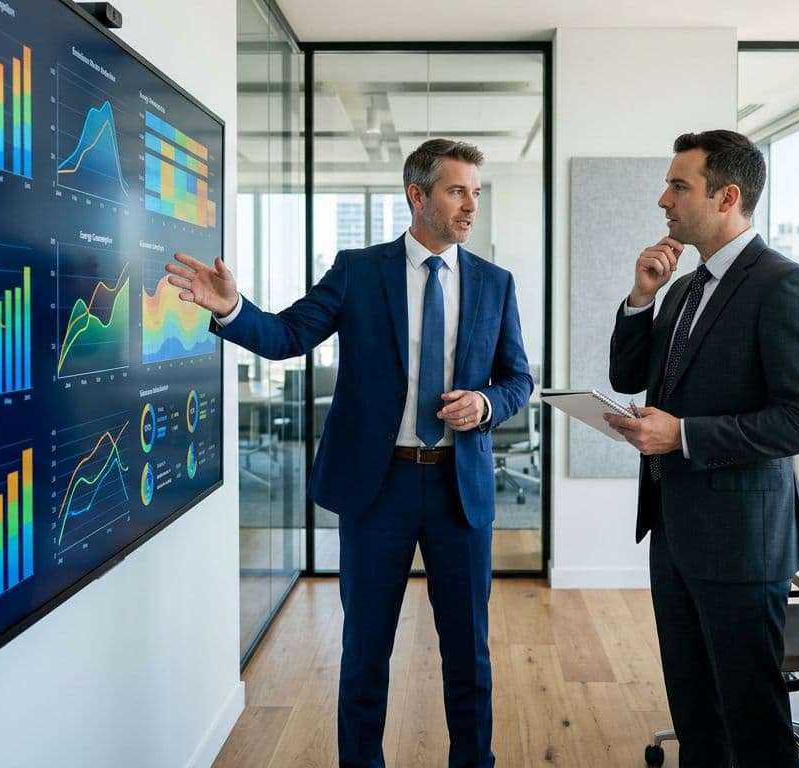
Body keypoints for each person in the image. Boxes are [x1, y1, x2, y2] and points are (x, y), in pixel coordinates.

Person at [164, 138, 531, 768]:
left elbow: (517, 378)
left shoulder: (495, 283)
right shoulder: (359, 271)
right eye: (456, 191)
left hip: (460, 490)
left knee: (469, 654)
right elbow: (289, 334)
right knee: (364, 650)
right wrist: (232, 309)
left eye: (475, 191)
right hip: (377, 488)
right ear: (417, 196)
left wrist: (486, 403)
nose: (472, 204)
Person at [605, 129, 799, 767]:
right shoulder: (683, 287)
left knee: (751, 722)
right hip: (673, 528)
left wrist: (683, 435)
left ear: (727, 196)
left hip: (741, 542)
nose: (664, 200)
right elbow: (629, 377)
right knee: (696, 712)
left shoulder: (785, 285)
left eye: (679, 187)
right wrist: (641, 298)